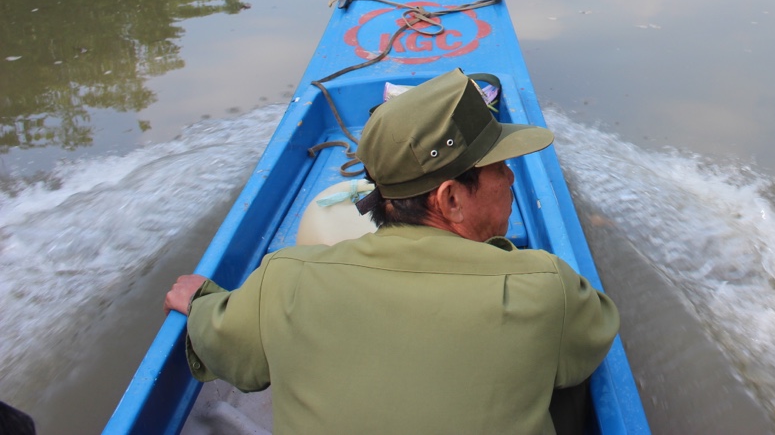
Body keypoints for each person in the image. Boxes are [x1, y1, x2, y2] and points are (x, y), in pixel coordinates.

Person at [164, 68, 619, 435]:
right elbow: (592, 336)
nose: (511, 178)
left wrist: (202, 301)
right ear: (450, 199)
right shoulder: (543, 287)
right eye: (498, 166)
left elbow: (225, 347)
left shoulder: (284, 279)